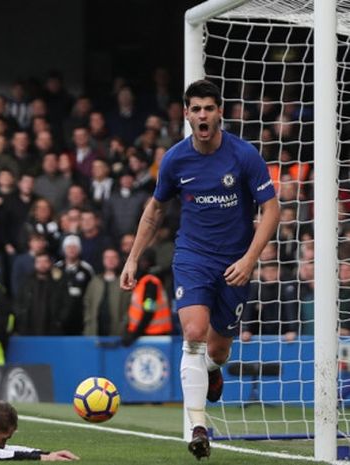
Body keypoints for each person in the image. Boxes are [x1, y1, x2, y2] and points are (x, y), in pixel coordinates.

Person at [120, 79, 280, 460]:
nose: (203, 115)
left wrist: (249, 260)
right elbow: (155, 210)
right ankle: (197, 426)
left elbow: (271, 210)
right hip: (192, 256)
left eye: (209, 108)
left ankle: (210, 368)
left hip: (235, 263)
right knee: (193, 332)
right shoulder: (175, 159)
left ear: (219, 112)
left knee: (219, 350)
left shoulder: (244, 155)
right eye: (196, 109)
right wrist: (132, 258)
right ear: (187, 114)